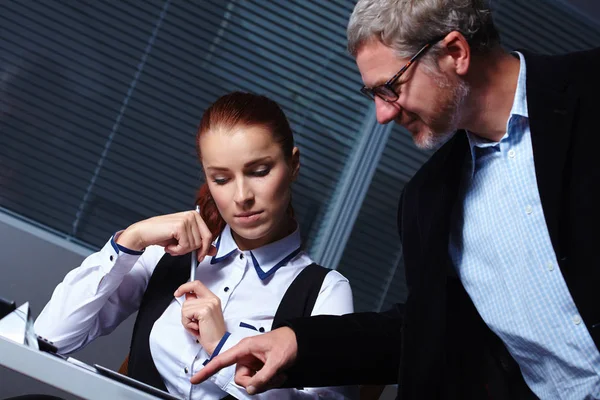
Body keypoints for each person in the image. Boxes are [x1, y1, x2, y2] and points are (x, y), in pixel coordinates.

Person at [191, 1, 600, 399]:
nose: (382, 115)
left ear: (455, 52)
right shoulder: (427, 199)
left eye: (390, 87)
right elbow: (423, 333)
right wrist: (298, 343)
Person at [34, 92, 358, 400]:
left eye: (259, 171)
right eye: (221, 179)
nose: (242, 196)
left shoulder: (325, 292)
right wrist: (130, 240)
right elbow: (49, 338)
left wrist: (222, 347)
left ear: (294, 164)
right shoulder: (171, 255)